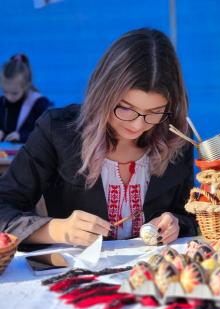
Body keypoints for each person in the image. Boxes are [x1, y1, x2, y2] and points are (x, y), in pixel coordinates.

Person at [0, 28, 197, 246]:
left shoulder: (175, 139)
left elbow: (190, 214)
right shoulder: (57, 130)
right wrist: (57, 229)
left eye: (154, 112)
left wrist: (176, 223)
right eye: (126, 108)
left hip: (152, 276)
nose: (138, 124)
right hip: (76, 276)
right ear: (103, 93)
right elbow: (3, 208)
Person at [0, 54, 51, 143]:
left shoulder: (39, 103)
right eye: (5, 91)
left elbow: (45, 133)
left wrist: (21, 136)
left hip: (32, 154)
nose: (9, 97)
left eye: (14, 93)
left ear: (26, 86)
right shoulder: (2, 102)